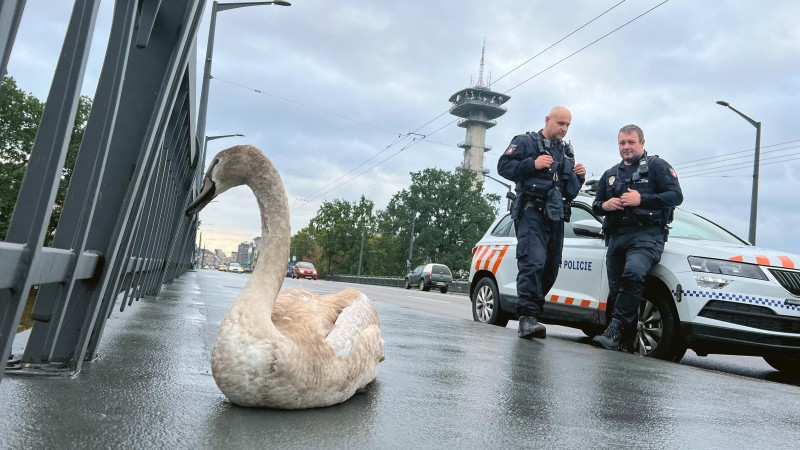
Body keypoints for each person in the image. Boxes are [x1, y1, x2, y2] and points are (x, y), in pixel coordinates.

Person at [591, 124, 683, 352]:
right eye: (622, 143)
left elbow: (675, 196)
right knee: (618, 290)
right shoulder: (610, 174)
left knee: (633, 275)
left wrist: (640, 199)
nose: (626, 147)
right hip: (616, 237)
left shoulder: (657, 166)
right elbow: (595, 205)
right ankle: (627, 344)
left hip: (646, 235)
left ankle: (613, 332)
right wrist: (605, 205)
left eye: (631, 142)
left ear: (642, 143)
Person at [497, 106, 586, 339]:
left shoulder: (566, 152)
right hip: (531, 213)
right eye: (560, 123)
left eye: (568, 125)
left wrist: (580, 177)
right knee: (533, 263)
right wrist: (532, 164)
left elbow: (571, 192)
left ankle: (533, 311)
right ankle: (527, 318)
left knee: (549, 269)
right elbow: (503, 166)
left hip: (555, 216)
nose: (564, 129)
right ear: (548, 120)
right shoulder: (526, 142)